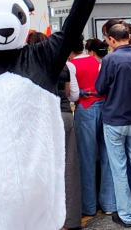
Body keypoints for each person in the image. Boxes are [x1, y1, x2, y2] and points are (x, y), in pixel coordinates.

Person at [96, 24, 131, 228]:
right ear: (129, 36)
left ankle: (126, 216)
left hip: (114, 120)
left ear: (112, 40)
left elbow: (100, 88)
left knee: (119, 169)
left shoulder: (109, 60)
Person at [28, 32, 82, 230]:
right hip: (64, 114)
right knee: (69, 168)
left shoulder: (29, 65)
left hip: (41, 119)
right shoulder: (64, 65)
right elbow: (67, 93)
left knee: (40, 169)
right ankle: (71, 221)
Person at [70, 37, 116, 217]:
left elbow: (74, 95)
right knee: (107, 155)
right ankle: (109, 203)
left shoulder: (71, 65)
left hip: (85, 108)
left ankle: (89, 206)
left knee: (86, 158)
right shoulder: (96, 61)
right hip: (104, 107)